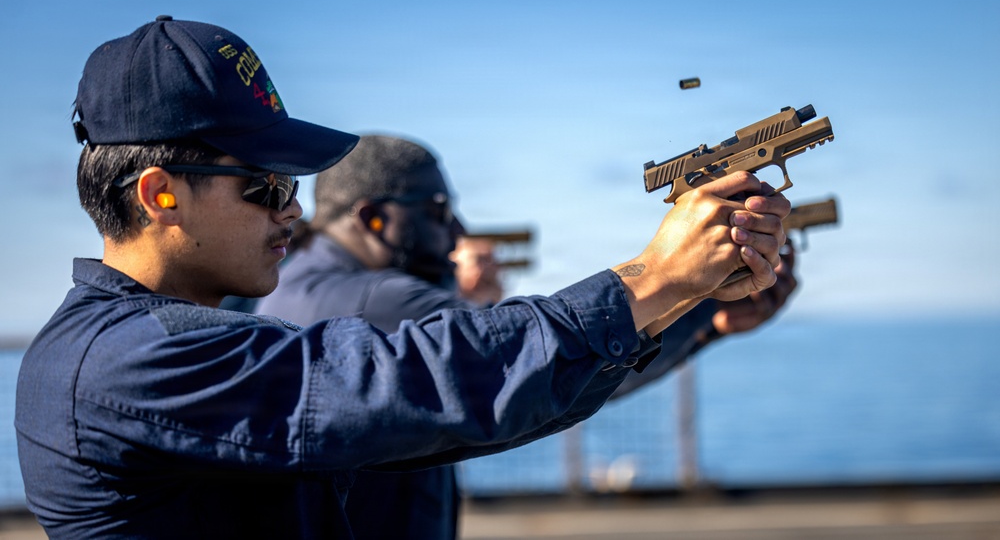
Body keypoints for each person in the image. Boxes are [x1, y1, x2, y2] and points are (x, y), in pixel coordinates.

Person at [14, 17, 789, 539]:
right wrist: (655, 277)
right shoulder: (131, 359)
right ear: (159, 194)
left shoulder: (140, 342)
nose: (292, 213)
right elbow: (415, 377)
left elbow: (434, 413)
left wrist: (678, 297)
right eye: (267, 187)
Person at [257, 134, 799, 539]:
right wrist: (693, 299)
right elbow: (538, 370)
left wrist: (702, 324)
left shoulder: (302, 284)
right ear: (374, 219)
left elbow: (526, 370)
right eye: (440, 212)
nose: (458, 232)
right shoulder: (379, 299)